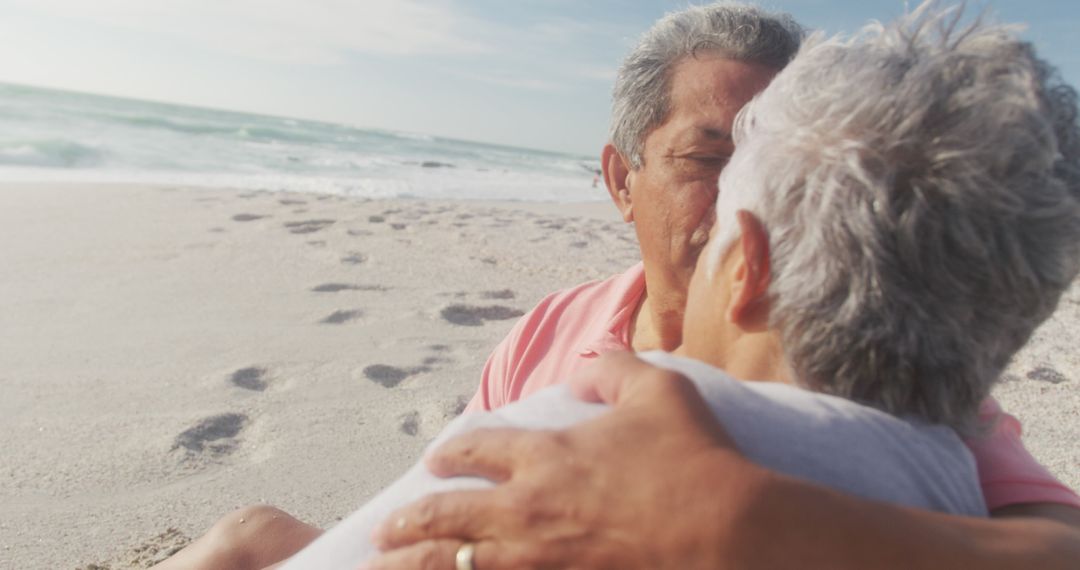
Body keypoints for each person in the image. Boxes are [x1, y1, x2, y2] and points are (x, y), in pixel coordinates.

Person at [366, 2, 1080, 569]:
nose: (752, 198)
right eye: (712, 159)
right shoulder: (553, 329)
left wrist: (759, 528)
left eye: (784, 171)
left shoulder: (861, 369)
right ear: (622, 180)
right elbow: (429, 507)